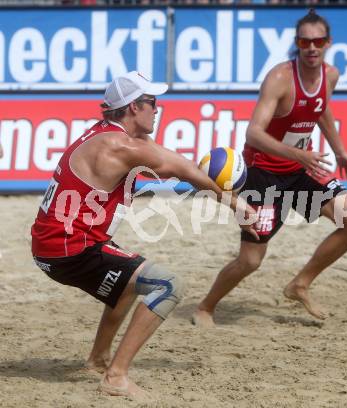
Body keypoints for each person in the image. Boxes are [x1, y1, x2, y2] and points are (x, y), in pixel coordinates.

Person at [31, 71, 257, 400]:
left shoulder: (114, 136)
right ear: (134, 107)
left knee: (127, 285)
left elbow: (175, 164)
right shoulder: (118, 145)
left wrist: (214, 187)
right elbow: (181, 169)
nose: (158, 108)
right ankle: (116, 377)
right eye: (153, 102)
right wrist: (237, 205)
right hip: (70, 249)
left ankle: (98, 360)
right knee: (168, 285)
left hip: (56, 245)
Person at [192, 9, 347, 328]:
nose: (311, 47)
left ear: (328, 42)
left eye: (318, 41)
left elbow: (321, 109)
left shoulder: (330, 75)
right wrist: (297, 154)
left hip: (300, 173)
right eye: (305, 41)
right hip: (264, 177)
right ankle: (205, 306)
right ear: (297, 43)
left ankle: (300, 284)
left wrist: (340, 151)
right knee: (250, 261)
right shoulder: (279, 78)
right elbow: (253, 133)